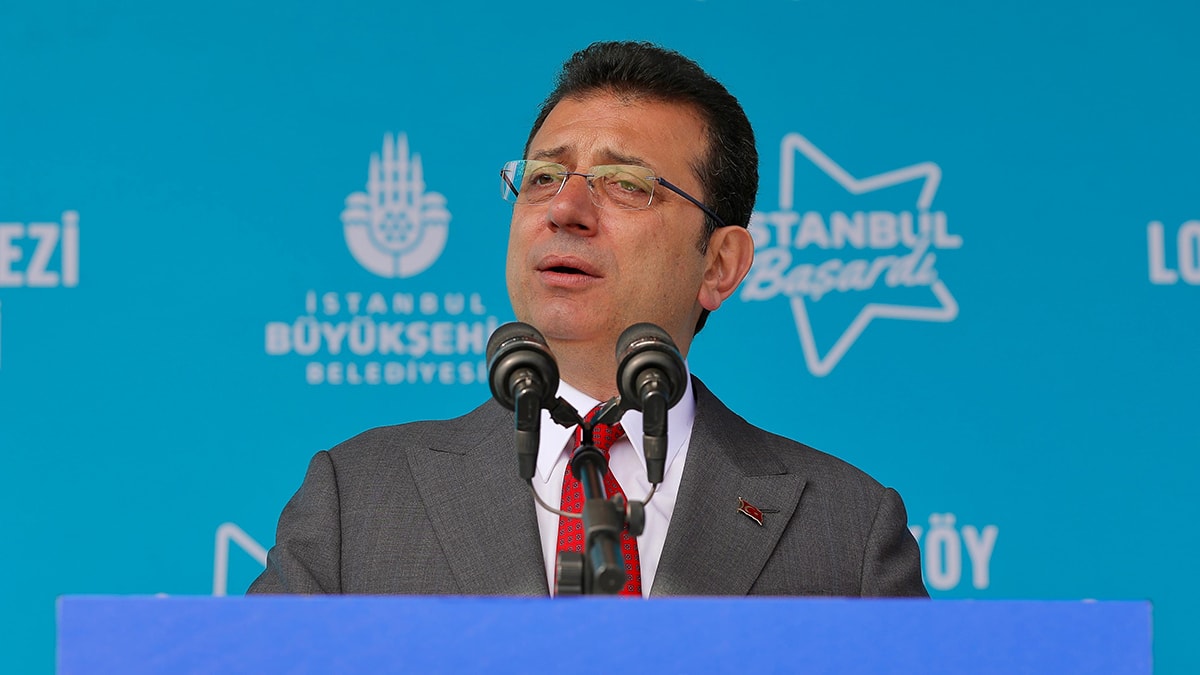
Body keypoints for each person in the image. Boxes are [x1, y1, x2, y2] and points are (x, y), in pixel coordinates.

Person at [249, 41, 927, 598]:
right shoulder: (357, 499)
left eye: (626, 184)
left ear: (720, 264)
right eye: (543, 176)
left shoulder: (848, 529)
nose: (564, 210)